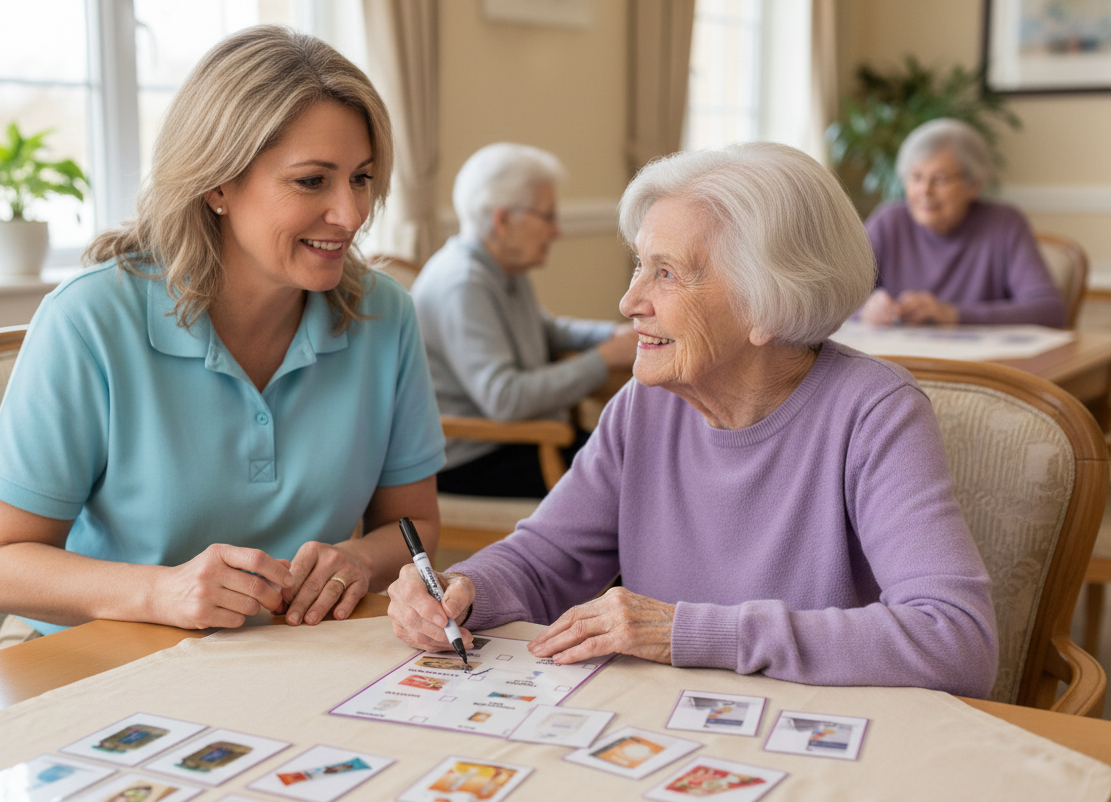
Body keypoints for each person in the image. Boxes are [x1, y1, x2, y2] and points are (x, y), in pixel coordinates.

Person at [388, 142, 998, 697]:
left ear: (768, 303)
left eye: (668, 273)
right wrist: (463, 590)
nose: (630, 303)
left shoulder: (874, 414)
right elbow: (548, 559)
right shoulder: (644, 405)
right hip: (664, 731)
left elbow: (956, 641)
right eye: (639, 265)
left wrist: (690, 632)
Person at [0, 26, 444, 639]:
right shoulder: (89, 319)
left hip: (284, 653)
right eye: (311, 181)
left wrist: (358, 560)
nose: (351, 215)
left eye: (361, 178)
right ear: (218, 183)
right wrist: (160, 591)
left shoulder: (386, 316)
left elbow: (414, 529)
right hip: (94, 653)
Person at [410, 143, 638, 498]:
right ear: (503, 220)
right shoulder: (464, 283)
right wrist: (605, 359)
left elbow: (545, 331)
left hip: (518, 441)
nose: (557, 230)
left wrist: (613, 334)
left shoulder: (503, 267)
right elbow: (505, 398)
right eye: (547, 216)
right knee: (635, 472)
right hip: (478, 456)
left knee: (635, 454)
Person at [861, 118, 1065, 327]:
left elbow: (1049, 312)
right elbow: (831, 297)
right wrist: (865, 308)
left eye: (939, 179)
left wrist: (953, 314)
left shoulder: (1005, 224)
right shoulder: (888, 222)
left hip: (983, 359)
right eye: (916, 177)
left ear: (974, 184)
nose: (925, 191)